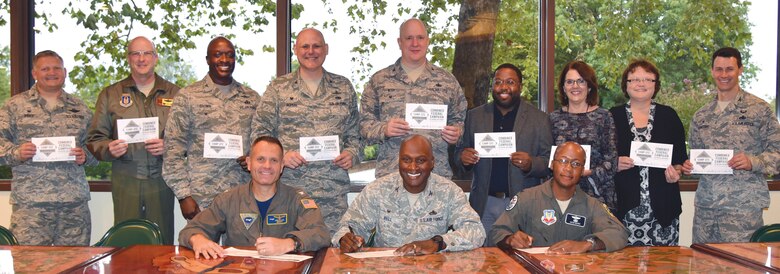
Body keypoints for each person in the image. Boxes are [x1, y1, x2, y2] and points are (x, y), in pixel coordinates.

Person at [252, 28, 361, 234]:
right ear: (295, 49)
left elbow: (356, 135)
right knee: (287, 256)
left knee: (331, 258)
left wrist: (352, 154)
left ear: (326, 49)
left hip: (332, 193)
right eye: (305, 46)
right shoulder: (278, 88)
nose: (311, 51)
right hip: (290, 192)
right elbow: (259, 132)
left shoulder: (343, 87)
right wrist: (281, 156)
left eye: (317, 46)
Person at [87, 36, 180, 244]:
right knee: (125, 239)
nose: (141, 58)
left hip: (161, 179)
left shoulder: (176, 94)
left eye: (146, 53)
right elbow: (94, 138)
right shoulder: (110, 94)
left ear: (155, 58)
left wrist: (169, 146)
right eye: (135, 53)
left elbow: (187, 139)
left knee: (162, 240)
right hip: (125, 178)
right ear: (128, 58)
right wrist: (108, 148)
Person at [682, 47, 780, 243]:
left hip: (742, 210)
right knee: (703, 266)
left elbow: (777, 153)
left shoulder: (759, 110)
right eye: (719, 69)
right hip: (706, 211)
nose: (724, 75)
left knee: (741, 267)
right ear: (712, 71)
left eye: (729, 69)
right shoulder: (701, 115)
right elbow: (697, 158)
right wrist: (689, 166)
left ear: (740, 70)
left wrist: (753, 161)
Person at [0, 50, 96, 245]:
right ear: (34, 73)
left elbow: (97, 147)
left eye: (56, 68)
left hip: (73, 205)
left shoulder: (80, 108)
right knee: (30, 265)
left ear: (65, 72)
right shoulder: (14, 106)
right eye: (45, 69)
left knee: (75, 264)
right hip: (31, 206)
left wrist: (85, 156)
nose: (52, 72)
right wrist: (17, 153)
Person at [179, 136, 330, 259]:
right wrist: (197, 239)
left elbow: (321, 234)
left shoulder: (297, 199)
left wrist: (290, 243)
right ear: (249, 163)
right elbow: (190, 230)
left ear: (282, 166)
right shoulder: (229, 200)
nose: (267, 166)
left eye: (274, 160)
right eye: (260, 159)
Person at [334, 135, 484, 255]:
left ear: (432, 162)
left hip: (431, 267)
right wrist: (346, 238)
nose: (413, 167)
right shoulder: (377, 189)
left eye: (421, 160)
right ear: (398, 161)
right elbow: (350, 225)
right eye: (406, 160)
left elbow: (476, 231)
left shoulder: (449, 191)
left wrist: (437, 243)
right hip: (387, 268)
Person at [164, 37, 260, 220]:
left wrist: (252, 157)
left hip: (243, 195)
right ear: (207, 59)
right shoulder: (188, 97)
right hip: (202, 197)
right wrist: (183, 195)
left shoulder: (252, 98)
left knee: (242, 249)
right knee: (202, 248)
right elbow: (172, 151)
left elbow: (262, 143)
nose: (224, 60)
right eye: (218, 55)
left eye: (230, 55)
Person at [360, 18, 467, 179]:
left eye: (420, 37)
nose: (415, 43)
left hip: (436, 176)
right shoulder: (379, 81)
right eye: (409, 38)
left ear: (427, 41)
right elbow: (363, 126)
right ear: (399, 42)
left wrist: (457, 133)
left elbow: (461, 122)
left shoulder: (447, 81)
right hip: (391, 176)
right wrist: (384, 129)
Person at [455, 63, 552, 235]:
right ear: (492, 86)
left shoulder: (539, 119)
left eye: (510, 82)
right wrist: (464, 158)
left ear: (520, 87)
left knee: (518, 256)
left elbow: (547, 161)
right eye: (498, 82)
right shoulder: (475, 116)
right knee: (481, 257)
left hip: (521, 204)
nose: (503, 87)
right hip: (484, 203)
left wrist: (531, 163)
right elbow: (459, 154)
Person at [491, 142, 628, 253]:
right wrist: (510, 239)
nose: (568, 168)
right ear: (552, 164)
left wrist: (587, 245)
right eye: (563, 161)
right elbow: (497, 231)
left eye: (576, 164)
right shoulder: (527, 198)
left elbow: (619, 233)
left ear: (582, 170)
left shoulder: (591, 205)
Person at [610, 59, 688, 246]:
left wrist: (676, 173)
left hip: (663, 208)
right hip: (623, 208)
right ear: (626, 85)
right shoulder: (612, 116)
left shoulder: (669, 116)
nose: (641, 83)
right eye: (634, 79)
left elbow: (679, 159)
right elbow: (603, 156)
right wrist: (615, 163)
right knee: (622, 266)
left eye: (647, 79)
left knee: (662, 265)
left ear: (656, 84)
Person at [549, 61, 617, 213]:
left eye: (581, 81)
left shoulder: (604, 117)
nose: (575, 86)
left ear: (590, 86)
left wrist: (588, 172)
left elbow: (611, 160)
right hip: (560, 196)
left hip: (595, 196)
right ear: (563, 87)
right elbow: (548, 157)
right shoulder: (553, 118)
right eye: (570, 82)